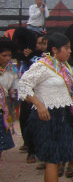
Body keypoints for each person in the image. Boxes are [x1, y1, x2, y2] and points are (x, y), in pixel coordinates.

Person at [18, 33, 73, 182]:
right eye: (66, 48)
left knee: (56, 157)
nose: (69, 51)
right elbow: (24, 84)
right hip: (47, 117)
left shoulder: (63, 67)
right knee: (52, 159)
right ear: (54, 50)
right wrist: (39, 105)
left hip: (60, 115)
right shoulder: (42, 66)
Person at [19, 34, 48, 164]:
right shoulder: (28, 58)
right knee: (27, 122)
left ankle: (43, 152)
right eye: (39, 43)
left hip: (45, 96)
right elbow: (22, 73)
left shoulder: (50, 58)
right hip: (29, 96)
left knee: (44, 124)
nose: (41, 46)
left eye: (44, 43)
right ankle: (31, 150)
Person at [0, 38, 18, 182]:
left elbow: (13, 89)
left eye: (9, 55)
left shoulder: (11, 71)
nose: (7, 58)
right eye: (4, 55)